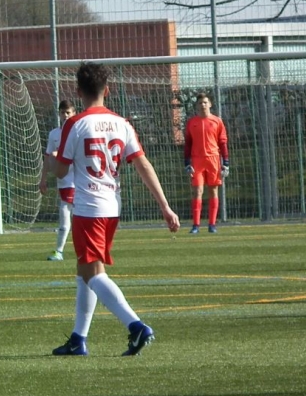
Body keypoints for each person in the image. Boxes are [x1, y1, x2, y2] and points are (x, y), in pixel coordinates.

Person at [51, 62, 180, 357]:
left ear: (78, 91)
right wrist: (165, 205)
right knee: (85, 270)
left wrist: (57, 155)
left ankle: (136, 326)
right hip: (111, 207)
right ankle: (78, 339)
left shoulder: (75, 123)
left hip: (88, 208)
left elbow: (60, 171)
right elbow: (143, 164)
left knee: (93, 274)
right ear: (107, 90)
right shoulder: (122, 123)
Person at [183, 92, 229, 234]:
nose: (203, 105)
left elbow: (222, 142)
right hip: (197, 160)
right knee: (198, 191)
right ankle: (196, 225)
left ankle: (212, 224)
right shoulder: (192, 122)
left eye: (205, 102)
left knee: (213, 190)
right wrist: (187, 163)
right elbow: (188, 144)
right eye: (200, 103)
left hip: (213, 159)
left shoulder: (217, 121)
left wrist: (226, 162)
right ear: (196, 106)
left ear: (210, 104)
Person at [39, 100, 77, 261]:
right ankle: (60, 251)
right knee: (65, 217)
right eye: (63, 113)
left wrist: (59, 155)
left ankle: (62, 250)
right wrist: (43, 179)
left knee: (77, 218)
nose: (65, 116)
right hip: (63, 181)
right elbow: (48, 158)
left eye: (68, 112)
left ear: (74, 113)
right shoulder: (54, 134)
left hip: (79, 181)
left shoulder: (79, 131)